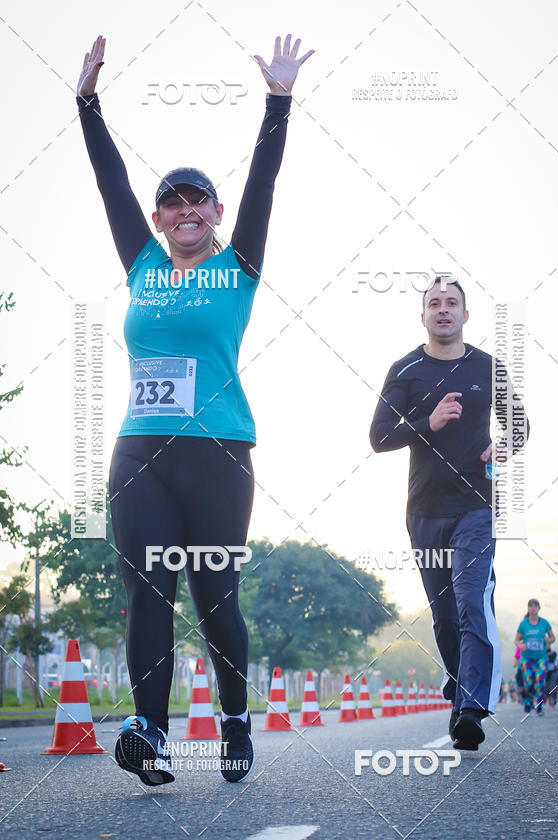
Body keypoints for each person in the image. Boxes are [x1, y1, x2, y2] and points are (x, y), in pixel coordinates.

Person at [76, 33, 313, 785]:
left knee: (215, 600)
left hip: (219, 454)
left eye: (196, 201)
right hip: (139, 452)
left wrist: (278, 102)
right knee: (147, 592)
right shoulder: (141, 263)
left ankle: (235, 724)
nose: (184, 211)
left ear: (214, 212)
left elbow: (266, 187)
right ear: (158, 221)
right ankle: (149, 732)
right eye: (170, 203)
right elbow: (109, 178)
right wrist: (86, 103)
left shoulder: (238, 268)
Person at [369, 277, 529, 750]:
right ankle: (460, 687)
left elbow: (520, 423)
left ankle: (472, 708)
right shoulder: (406, 369)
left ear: (465, 314)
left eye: (452, 303)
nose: (443, 310)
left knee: (471, 600)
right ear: (423, 316)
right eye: (434, 303)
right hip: (424, 511)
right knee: (443, 617)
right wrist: (428, 423)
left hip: (477, 506)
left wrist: (504, 446)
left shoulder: (487, 366)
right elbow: (379, 437)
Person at [515, 599, 554, 715]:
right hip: (527, 658)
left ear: (539, 608)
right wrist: (520, 646)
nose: (533, 608)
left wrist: (548, 640)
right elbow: (516, 640)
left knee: (540, 681)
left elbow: (553, 638)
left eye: (535, 606)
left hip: (541, 658)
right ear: (528, 608)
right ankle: (528, 701)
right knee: (528, 682)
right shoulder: (523, 624)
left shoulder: (544, 623)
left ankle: (539, 706)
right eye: (530, 606)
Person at [544, 643, 558, 707]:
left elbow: (557, 666)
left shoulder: (553, 654)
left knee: (552, 686)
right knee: (546, 687)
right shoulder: (542, 653)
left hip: (553, 673)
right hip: (545, 673)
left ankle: (553, 700)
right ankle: (548, 700)